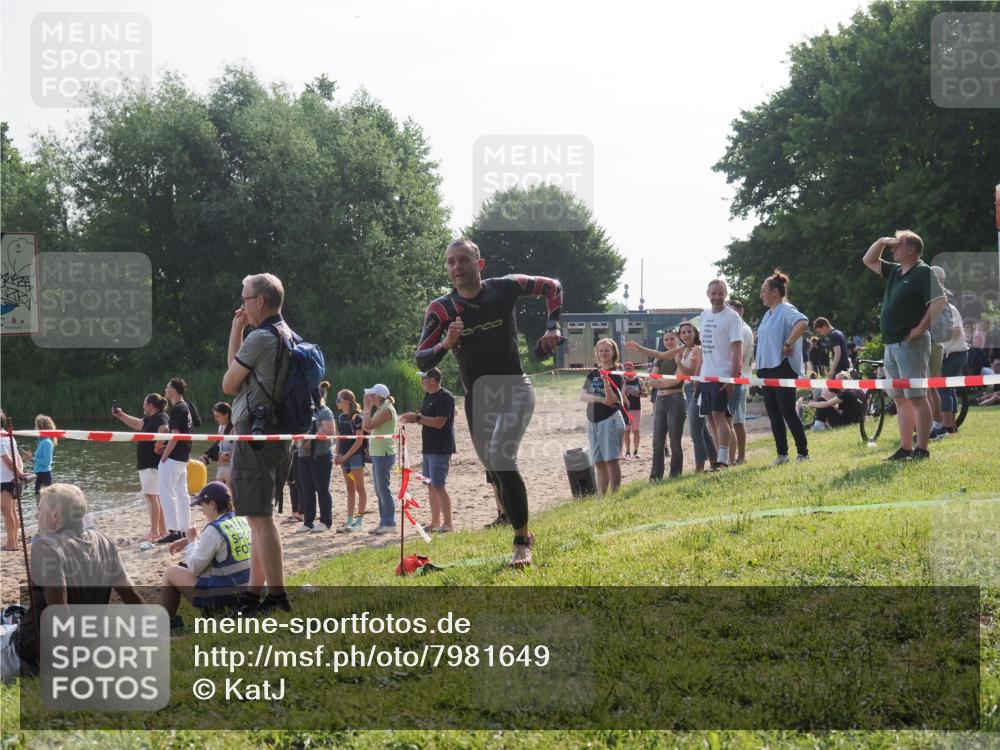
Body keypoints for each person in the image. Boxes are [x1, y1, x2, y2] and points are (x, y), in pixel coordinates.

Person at [415, 238, 563, 568]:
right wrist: (446, 344)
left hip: (515, 387)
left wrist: (552, 327)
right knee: (494, 469)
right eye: (450, 262)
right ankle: (519, 524)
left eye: (463, 260)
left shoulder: (505, 288)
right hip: (478, 400)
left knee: (501, 456)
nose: (456, 267)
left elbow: (552, 287)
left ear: (479, 264)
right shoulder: (441, 309)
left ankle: (522, 540)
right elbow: (422, 358)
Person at [0, 483, 143, 681]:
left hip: (27, 655)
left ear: (56, 515)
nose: (35, 516)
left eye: (40, 510)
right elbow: (131, 595)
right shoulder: (103, 540)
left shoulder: (46, 547)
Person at [222, 272, 294, 615]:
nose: (243, 306)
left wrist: (237, 331)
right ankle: (253, 594)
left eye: (245, 299)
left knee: (259, 519)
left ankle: (276, 597)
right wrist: (240, 327)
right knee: (259, 518)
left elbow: (229, 383)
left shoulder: (262, 338)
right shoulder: (288, 334)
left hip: (254, 434)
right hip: (278, 435)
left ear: (260, 302)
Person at [862, 232, 946, 460]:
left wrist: (920, 328)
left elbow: (939, 301)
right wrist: (881, 241)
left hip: (912, 344)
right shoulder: (895, 271)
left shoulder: (923, 271)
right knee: (900, 399)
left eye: (898, 246)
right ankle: (906, 447)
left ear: (912, 250)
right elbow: (868, 260)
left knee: (918, 397)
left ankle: (923, 449)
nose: (893, 249)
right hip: (892, 345)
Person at [160, 481, 252, 631]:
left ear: (212, 505)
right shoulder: (243, 520)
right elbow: (221, 543)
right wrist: (194, 539)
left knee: (171, 572)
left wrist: (191, 541)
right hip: (249, 594)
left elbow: (194, 567)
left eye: (202, 507)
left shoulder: (214, 530)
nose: (202, 512)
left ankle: (168, 625)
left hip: (225, 601)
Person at [756, 270, 810, 464]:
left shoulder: (786, 309)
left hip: (782, 367)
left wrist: (789, 343)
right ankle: (782, 455)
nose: (761, 295)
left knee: (787, 411)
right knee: (773, 414)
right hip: (766, 368)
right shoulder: (767, 315)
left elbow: (803, 322)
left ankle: (803, 453)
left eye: (764, 291)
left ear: (775, 292)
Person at [400, 368, 456, 532]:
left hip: (441, 447)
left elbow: (439, 422)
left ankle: (448, 524)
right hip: (429, 447)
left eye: (423, 378)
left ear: (432, 380)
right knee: (430, 485)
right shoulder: (429, 396)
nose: (421, 381)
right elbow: (424, 418)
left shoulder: (445, 397)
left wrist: (417, 418)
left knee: (439, 485)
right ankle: (435, 523)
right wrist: (414, 417)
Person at [625, 331, 686, 479]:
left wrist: (659, 382)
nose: (669, 341)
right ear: (663, 342)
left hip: (676, 399)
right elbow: (651, 382)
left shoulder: (681, 355)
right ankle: (656, 475)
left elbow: (676, 380)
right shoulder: (660, 358)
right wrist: (660, 383)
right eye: (666, 339)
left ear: (677, 340)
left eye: (672, 338)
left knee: (674, 441)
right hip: (660, 401)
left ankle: (675, 475)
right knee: (657, 442)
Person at [698, 279, 743, 469]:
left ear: (725, 293)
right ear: (707, 294)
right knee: (711, 418)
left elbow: (737, 350)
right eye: (713, 293)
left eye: (720, 293)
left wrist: (732, 379)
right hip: (705, 375)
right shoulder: (704, 315)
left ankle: (723, 459)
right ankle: (721, 459)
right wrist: (697, 375)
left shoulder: (732, 317)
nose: (717, 297)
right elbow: (703, 348)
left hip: (723, 375)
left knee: (720, 416)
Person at [113, 394, 169, 541]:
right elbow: (137, 424)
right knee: (154, 497)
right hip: (147, 463)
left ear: (151, 405)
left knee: (152, 497)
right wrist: (121, 415)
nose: (143, 406)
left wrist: (158, 443)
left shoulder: (160, 417)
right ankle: (162, 531)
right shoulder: (150, 419)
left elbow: (165, 428)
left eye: (145, 404)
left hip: (151, 463)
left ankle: (154, 531)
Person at [579, 338, 626, 495]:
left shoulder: (617, 373)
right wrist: (599, 399)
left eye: (607, 350)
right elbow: (583, 395)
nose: (604, 353)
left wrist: (607, 385)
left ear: (614, 352)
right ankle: (601, 496)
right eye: (601, 350)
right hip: (593, 421)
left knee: (611, 460)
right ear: (597, 354)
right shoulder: (593, 373)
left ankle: (615, 494)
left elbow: (612, 401)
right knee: (598, 462)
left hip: (610, 419)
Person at [157, 378, 200, 545]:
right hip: (183, 456)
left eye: (167, 387)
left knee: (167, 494)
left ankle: (174, 530)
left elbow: (175, 434)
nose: (165, 389)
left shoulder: (177, 408)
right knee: (182, 494)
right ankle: (184, 528)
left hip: (175, 457)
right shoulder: (186, 407)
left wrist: (164, 455)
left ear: (174, 390)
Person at [933, 267, 969, 437]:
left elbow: (957, 331)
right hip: (954, 353)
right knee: (949, 389)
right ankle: (951, 426)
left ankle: (946, 427)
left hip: (955, 353)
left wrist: (937, 338)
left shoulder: (948, 308)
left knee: (943, 389)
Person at [294, 382, 335, 533]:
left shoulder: (325, 412)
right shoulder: (304, 413)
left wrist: (312, 436)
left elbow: (330, 432)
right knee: (306, 489)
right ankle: (308, 521)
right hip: (303, 455)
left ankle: (325, 521)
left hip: (321, 456)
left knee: (322, 489)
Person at [676, 322, 716, 473]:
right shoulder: (684, 350)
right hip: (687, 390)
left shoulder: (696, 350)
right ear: (680, 335)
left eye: (689, 332)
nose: (686, 334)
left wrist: (678, 362)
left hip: (696, 390)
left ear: (695, 333)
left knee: (695, 431)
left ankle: (699, 466)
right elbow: (661, 355)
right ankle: (714, 461)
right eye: (683, 332)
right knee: (703, 429)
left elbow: (692, 374)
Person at [362, 383, 398, 536]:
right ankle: (384, 522)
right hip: (379, 453)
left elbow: (367, 426)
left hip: (383, 454)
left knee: (383, 489)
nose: (369, 397)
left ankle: (389, 522)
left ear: (378, 396)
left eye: (371, 395)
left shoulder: (385, 409)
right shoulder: (383, 408)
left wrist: (366, 407)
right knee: (379, 490)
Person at [333, 389, 367, 533]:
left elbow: (359, 441)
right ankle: (349, 521)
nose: (337, 402)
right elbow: (339, 437)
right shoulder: (340, 417)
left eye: (339, 399)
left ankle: (359, 521)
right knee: (349, 488)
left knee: (360, 488)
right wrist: (337, 454)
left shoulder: (357, 417)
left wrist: (345, 457)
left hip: (355, 456)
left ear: (346, 401)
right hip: (344, 456)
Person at [728, 300, 755, 465]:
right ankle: (736, 456)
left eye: (733, 310)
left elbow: (738, 356)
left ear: (740, 311)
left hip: (739, 379)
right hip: (735, 378)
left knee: (738, 421)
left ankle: (741, 457)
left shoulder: (743, 330)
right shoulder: (737, 328)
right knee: (733, 420)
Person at [0, 411, 27, 552]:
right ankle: (13, 542)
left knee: (7, 511)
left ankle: (11, 544)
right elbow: (18, 458)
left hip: (6, 480)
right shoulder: (7, 435)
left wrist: (20, 474)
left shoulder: (1, 438)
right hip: (10, 478)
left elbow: (9, 461)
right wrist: (19, 474)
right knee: (12, 512)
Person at [21, 415, 57, 498]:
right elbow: (39, 461)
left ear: (42, 427)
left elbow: (47, 462)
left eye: (36, 426)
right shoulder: (41, 442)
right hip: (40, 475)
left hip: (45, 476)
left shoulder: (46, 442)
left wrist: (33, 458)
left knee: (43, 505)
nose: (35, 429)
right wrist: (31, 459)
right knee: (39, 504)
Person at [201, 403, 235, 488]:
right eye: (215, 416)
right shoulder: (221, 427)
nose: (215, 419)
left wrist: (228, 454)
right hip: (222, 464)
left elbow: (241, 447)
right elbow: (218, 443)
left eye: (217, 416)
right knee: (218, 489)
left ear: (226, 415)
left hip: (233, 465)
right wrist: (207, 455)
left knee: (228, 491)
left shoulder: (235, 428)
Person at [620, 362, 646, 459]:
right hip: (626, 410)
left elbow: (646, 394)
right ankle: (627, 451)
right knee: (626, 430)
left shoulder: (639, 380)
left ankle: (635, 451)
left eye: (630, 367)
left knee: (636, 430)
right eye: (626, 367)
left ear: (633, 368)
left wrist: (638, 392)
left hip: (636, 409)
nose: (628, 369)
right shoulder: (622, 381)